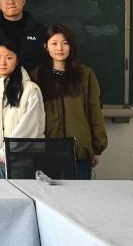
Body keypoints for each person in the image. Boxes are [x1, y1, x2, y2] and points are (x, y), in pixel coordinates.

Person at [32, 24, 108, 179]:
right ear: (46, 47)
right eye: (54, 43)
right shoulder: (36, 76)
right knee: (49, 193)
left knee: (79, 193)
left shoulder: (85, 75)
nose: (59, 48)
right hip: (47, 150)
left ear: (71, 46)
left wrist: (97, 147)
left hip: (79, 150)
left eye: (65, 43)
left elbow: (95, 111)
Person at [0, 40, 45, 178]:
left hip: (20, 163)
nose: (2, 62)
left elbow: (30, 128)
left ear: (17, 60)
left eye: (8, 58)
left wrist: (4, 154)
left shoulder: (30, 90)